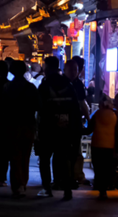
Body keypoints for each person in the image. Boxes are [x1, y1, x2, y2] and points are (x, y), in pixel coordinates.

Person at [37, 56, 81, 200]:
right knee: (63, 159)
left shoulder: (45, 84)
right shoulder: (67, 84)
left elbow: (39, 107)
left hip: (48, 128)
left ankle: (47, 188)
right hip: (65, 128)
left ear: (48, 68)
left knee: (44, 159)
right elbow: (76, 107)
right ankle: (67, 189)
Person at [3, 60, 39, 198]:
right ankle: (23, 182)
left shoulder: (7, 87)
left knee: (14, 157)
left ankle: (16, 184)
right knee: (25, 156)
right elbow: (38, 105)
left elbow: (2, 107)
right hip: (27, 125)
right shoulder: (30, 88)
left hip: (11, 125)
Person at [64, 59, 90, 186]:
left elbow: (82, 104)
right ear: (65, 70)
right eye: (71, 69)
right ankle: (72, 176)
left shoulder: (77, 84)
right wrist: (88, 118)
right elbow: (82, 103)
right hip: (65, 123)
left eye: (76, 70)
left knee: (75, 151)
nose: (74, 72)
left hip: (74, 122)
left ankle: (74, 175)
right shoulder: (68, 84)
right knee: (68, 152)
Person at [85, 97, 117, 199]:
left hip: (97, 143)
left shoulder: (96, 114)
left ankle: (99, 188)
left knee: (98, 168)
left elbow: (89, 129)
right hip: (110, 145)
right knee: (107, 168)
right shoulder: (115, 115)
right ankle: (105, 188)